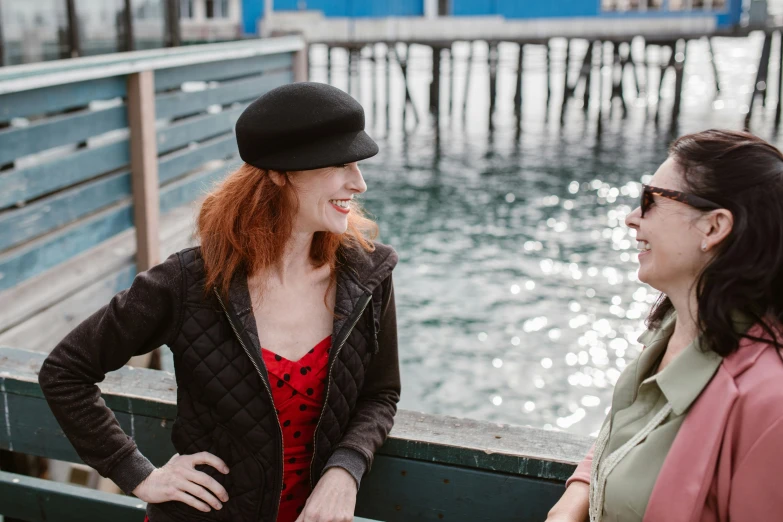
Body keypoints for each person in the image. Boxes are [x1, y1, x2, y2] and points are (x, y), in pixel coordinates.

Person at [38, 82, 401, 522]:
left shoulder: (367, 275)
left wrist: (346, 469)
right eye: (341, 164)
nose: (358, 183)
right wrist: (135, 473)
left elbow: (380, 394)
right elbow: (64, 371)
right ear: (281, 173)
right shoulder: (187, 281)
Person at [546, 129, 783, 522]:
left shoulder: (769, 406)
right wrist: (572, 502)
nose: (631, 218)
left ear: (713, 227)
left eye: (650, 201)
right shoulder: (672, 331)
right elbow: (629, 436)